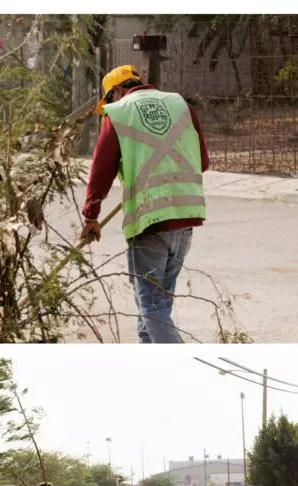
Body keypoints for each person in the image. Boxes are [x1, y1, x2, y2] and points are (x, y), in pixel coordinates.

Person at [81, 65, 211, 343]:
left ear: (115, 91)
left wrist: (91, 216)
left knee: (152, 309)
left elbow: (100, 171)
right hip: (186, 222)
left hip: (150, 223)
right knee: (156, 307)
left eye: (110, 98)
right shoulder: (180, 105)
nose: (111, 104)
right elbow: (204, 161)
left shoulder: (118, 113)